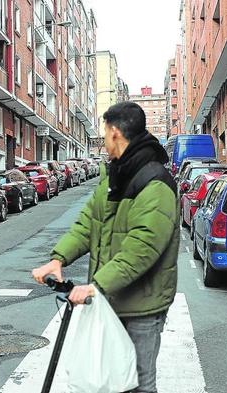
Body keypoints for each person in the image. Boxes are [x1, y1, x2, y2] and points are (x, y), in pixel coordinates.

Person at [32, 101, 179, 393]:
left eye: (103, 132)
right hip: (111, 297)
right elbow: (89, 221)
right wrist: (59, 258)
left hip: (142, 305)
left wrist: (96, 284)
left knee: (139, 383)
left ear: (114, 132)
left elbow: (143, 246)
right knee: (110, 381)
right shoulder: (115, 174)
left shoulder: (155, 182)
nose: (103, 140)